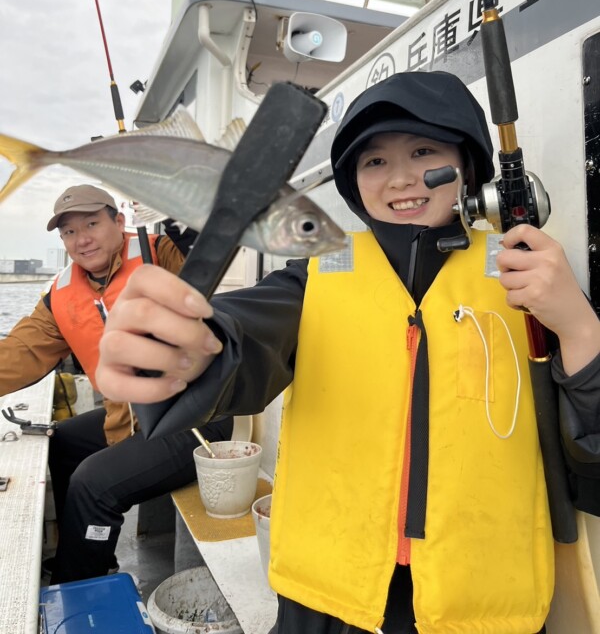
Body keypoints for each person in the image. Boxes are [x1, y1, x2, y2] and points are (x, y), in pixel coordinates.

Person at [96, 72, 600, 634]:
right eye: (374, 162)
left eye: (424, 150)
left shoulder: (524, 276)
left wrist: (579, 326)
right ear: (353, 182)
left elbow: (589, 455)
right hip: (326, 600)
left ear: (468, 163)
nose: (401, 178)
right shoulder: (315, 274)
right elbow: (239, 341)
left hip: (483, 605)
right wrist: (180, 353)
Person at [0, 184, 232, 585]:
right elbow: (19, 353)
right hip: (127, 418)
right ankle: (88, 551)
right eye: (69, 232)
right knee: (65, 441)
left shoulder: (160, 253)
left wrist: (184, 224)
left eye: (92, 223)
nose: (82, 239)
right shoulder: (61, 294)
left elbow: (205, 267)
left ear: (120, 222)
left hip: (194, 418)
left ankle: (80, 579)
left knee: (95, 483)